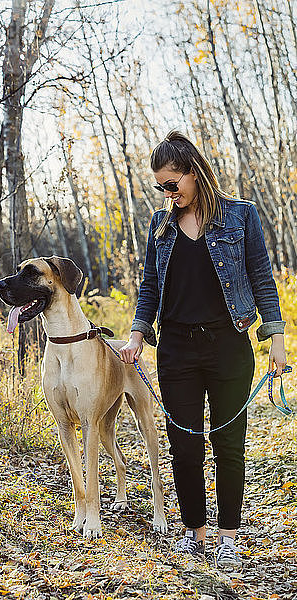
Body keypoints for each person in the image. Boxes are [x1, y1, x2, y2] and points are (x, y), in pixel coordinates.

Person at [119, 130, 287, 568]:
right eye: (160, 187)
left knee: (228, 441)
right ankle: (195, 531)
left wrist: (278, 339)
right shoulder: (160, 225)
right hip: (176, 349)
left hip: (230, 344)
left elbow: (263, 280)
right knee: (184, 444)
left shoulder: (240, 216)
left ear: (194, 174)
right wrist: (137, 334)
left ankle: (229, 535)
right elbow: (150, 285)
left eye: (172, 184)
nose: (167, 193)